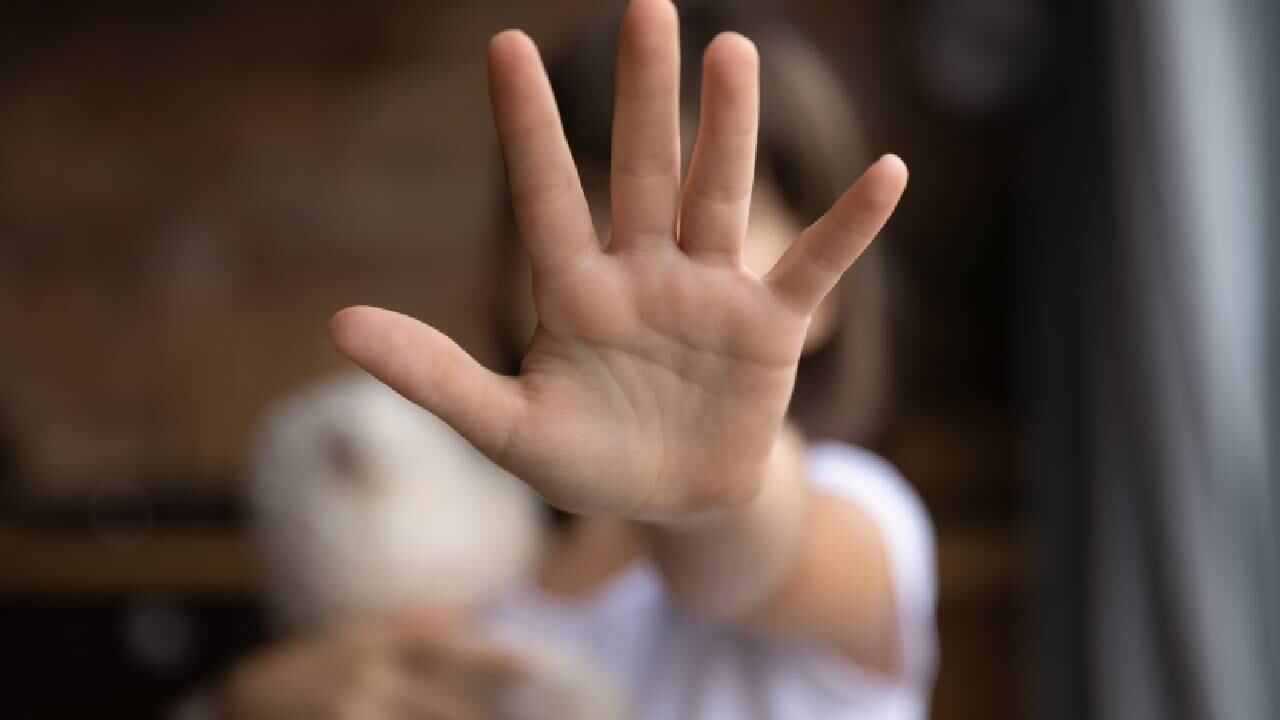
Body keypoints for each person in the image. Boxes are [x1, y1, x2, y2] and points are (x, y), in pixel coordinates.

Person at [222, 1, 936, 717]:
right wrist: (244, 703)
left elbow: (762, 558)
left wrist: (707, 493)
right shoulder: (468, 562)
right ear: (500, 262)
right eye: (592, 197)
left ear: (830, 294)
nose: (633, 259)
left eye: (707, 214)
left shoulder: (862, 513)